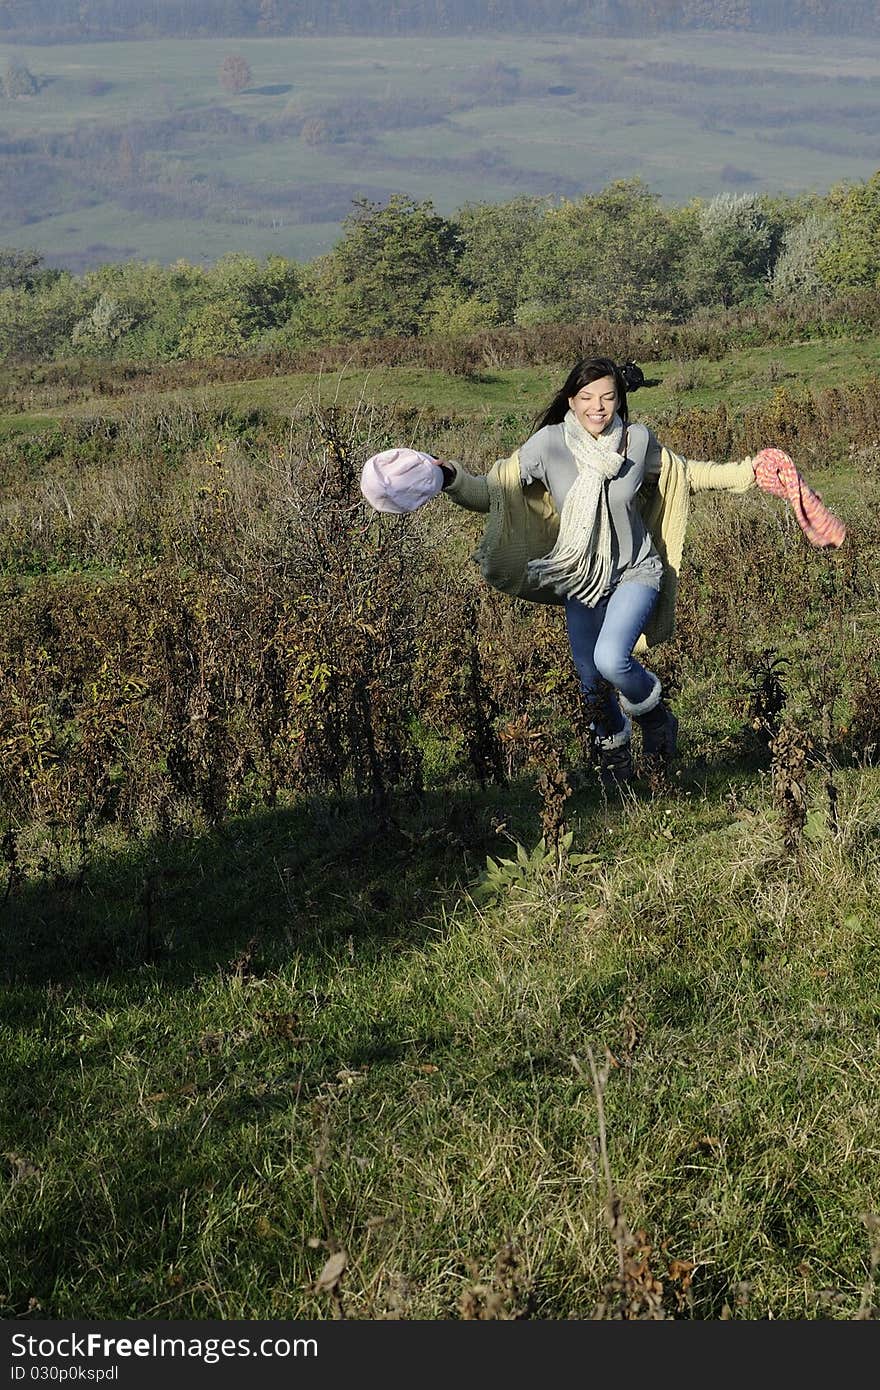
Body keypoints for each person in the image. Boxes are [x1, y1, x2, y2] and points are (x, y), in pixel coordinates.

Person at [430, 356, 760, 786]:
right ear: (572, 400)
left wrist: (749, 472)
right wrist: (449, 477)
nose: (597, 407)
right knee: (590, 682)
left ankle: (656, 719)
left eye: (607, 397)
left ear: (620, 401)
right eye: (587, 398)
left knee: (610, 659)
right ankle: (615, 763)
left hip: (635, 572)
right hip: (583, 578)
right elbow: (491, 493)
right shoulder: (548, 445)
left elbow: (686, 474)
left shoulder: (637, 442)